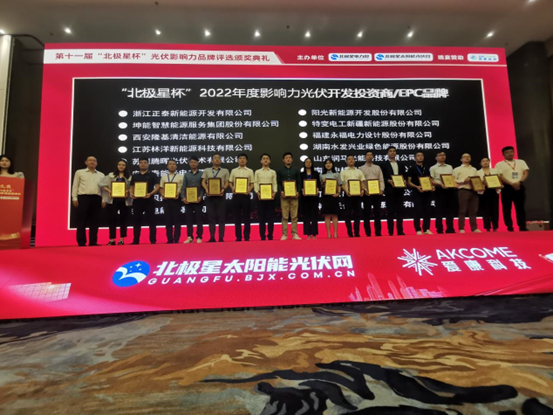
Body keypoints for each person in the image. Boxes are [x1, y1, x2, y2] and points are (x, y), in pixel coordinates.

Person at [71, 155, 105, 246]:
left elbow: (103, 189)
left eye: (94, 160)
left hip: (96, 198)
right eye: (90, 160)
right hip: (83, 198)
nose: (92, 162)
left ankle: (93, 242)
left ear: (96, 163)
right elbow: (75, 186)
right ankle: (81, 241)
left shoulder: (101, 175)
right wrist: (74, 198)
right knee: (82, 220)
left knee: (95, 221)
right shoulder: (79, 172)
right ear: (86, 162)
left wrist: (104, 200)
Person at [495, 146, 530, 232]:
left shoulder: (521, 162)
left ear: (514, 152)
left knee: (520, 208)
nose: (509, 154)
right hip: (506, 188)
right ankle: (509, 227)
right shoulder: (499, 164)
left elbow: (526, 172)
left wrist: (520, 182)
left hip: (519, 186)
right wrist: (511, 183)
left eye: (511, 152)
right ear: (503, 154)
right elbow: (500, 176)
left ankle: (522, 227)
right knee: (507, 209)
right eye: (507, 152)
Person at [100, 159, 131, 245]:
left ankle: (122, 239)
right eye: (119, 165)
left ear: (126, 167)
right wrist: (109, 191)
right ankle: (112, 239)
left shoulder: (129, 177)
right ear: (117, 166)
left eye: (123, 165)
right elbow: (103, 185)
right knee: (112, 219)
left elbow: (132, 187)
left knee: (123, 219)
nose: (121, 166)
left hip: (125, 201)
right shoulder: (110, 175)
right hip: (112, 200)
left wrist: (127, 191)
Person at [130, 157, 159, 245]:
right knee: (136, 220)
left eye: (145, 162)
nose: (143, 164)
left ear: (148, 164)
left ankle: (153, 240)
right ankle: (136, 240)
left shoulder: (153, 175)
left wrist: (150, 194)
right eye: (141, 162)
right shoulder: (135, 176)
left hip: (149, 200)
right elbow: (131, 187)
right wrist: (131, 193)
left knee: (152, 220)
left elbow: (157, 187)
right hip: (137, 201)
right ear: (138, 164)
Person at [202, 153, 230, 242]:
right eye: (215, 158)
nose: (217, 159)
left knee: (221, 217)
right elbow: (203, 182)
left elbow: (227, 182)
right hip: (210, 196)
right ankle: (212, 237)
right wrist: (206, 189)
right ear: (212, 160)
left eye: (219, 158)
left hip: (220, 196)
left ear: (221, 160)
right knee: (211, 217)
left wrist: (223, 189)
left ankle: (221, 237)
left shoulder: (225, 171)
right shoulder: (207, 170)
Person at [380, 146, 407, 236]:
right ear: (387, 153)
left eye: (394, 151)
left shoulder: (401, 164)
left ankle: (400, 231)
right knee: (390, 211)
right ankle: (390, 231)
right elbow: (381, 177)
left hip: (400, 190)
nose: (392, 152)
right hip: (389, 190)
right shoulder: (384, 164)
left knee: (400, 211)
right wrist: (388, 180)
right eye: (390, 151)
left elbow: (404, 175)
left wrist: (404, 181)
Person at [229, 153, 255, 242]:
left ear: (246, 160)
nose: (242, 160)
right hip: (236, 196)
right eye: (240, 158)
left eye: (244, 158)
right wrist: (232, 188)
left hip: (246, 196)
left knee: (247, 216)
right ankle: (238, 237)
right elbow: (230, 182)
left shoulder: (250, 171)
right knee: (237, 217)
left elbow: (252, 183)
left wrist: (249, 190)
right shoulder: (234, 171)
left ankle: (247, 236)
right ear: (238, 160)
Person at [277, 152, 302, 240]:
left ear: (292, 160)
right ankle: (284, 234)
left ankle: (294, 233)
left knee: (294, 216)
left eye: (289, 157)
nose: (288, 159)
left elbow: (299, 182)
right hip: (284, 196)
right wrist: (281, 191)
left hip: (294, 196)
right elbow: (278, 183)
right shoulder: (280, 171)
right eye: (286, 158)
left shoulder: (296, 170)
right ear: (283, 160)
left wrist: (298, 192)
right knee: (285, 216)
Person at [453, 153, 481, 234]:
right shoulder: (457, 169)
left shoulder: (474, 169)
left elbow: (477, 179)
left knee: (473, 210)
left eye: (468, 156)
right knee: (462, 210)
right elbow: (453, 180)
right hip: (463, 190)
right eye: (465, 157)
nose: (467, 158)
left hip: (474, 191)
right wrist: (463, 181)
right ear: (461, 159)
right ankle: (461, 228)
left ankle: (474, 228)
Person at [407, 151, 434, 235]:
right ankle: (418, 229)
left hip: (427, 192)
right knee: (417, 211)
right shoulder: (412, 168)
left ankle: (426, 229)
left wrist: (432, 186)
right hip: (416, 192)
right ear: (415, 158)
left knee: (427, 211)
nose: (420, 157)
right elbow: (409, 181)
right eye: (418, 156)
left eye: (421, 155)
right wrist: (417, 187)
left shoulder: (427, 168)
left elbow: (430, 179)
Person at [430, 151, 456, 234]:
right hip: (439, 190)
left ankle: (450, 228)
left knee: (450, 210)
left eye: (443, 155)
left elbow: (452, 178)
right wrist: (440, 184)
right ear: (436, 157)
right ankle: (439, 229)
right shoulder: (433, 168)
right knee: (439, 210)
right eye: (440, 155)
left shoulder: (450, 167)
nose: (442, 156)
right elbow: (431, 180)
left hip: (450, 190)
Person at [359, 151, 384, 237]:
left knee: (377, 213)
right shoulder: (361, 168)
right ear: (364, 157)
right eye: (368, 155)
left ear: (373, 157)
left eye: (371, 155)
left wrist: (381, 189)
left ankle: (378, 232)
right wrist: (365, 190)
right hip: (367, 194)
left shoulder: (377, 167)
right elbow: (361, 181)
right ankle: (368, 233)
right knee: (366, 213)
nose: (369, 156)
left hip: (377, 193)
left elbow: (381, 179)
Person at [340, 154, 365, 238]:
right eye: (349, 159)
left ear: (354, 161)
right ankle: (350, 233)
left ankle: (357, 232)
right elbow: (342, 184)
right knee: (347, 214)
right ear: (346, 161)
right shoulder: (343, 172)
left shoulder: (359, 171)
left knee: (358, 214)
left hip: (358, 196)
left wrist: (362, 190)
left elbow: (362, 182)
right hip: (348, 195)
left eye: (352, 159)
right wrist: (346, 191)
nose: (351, 160)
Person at [160, 159, 184, 244]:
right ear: (167, 166)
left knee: (177, 220)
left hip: (176, 200)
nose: (172, 165)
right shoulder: (164, 177)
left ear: (176, 166)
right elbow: (161, 188)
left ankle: (177, 239)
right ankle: (169, 239)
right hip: (166, 201)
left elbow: (182, 188)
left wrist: (178, 193)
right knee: (168, 220)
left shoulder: (181, 177)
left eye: (174, 164)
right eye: (170, 164)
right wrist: (162, 194)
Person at [254, 153, 277, 241]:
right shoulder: (257, 172)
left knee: (271, 217)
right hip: (260, 197)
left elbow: (274, 183)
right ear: (261, 161)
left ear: (270, 161)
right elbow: (256, 182)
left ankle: (270, 235)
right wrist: (257, 192)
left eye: (267, 158)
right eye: (263, 158)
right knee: (262, 217)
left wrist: (274, 192)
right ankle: (262, 236)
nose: (265, 160)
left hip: (271, 197)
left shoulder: (273, 172)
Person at [182, 156, 204, 244]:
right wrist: (183, 197)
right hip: (188, 200)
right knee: (189, 219)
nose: (193, 164)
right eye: (191, 162)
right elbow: (183, 187)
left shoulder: (202, 174)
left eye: (195, 162)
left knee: (199, 219)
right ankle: (189, 237)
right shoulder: (186, 175)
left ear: (198, 163)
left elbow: (203, 187)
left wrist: (201, 196)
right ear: (189, 163)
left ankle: (199, 236)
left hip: (198, 200)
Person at [477, 157, 501, 232]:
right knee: (485, 210)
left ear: (489, 162)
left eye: (487, 161)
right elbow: (476, 183)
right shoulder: (477, 172)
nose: (485, 162)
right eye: (483, 161)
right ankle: (487, 228)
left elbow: (499, 180)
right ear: (480, 163)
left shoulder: (495, 170)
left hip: (494, 191)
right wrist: (482, 182)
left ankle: (495, 227)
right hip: (484, 192)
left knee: (495, 209)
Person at [320, 158, 342, 239]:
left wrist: (338, 193)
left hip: (334, 196)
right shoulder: (321, 175)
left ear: (332, 164)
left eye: (330, 163)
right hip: (325, 197)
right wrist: (323, 182)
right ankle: (328, 233)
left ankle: (335, 233)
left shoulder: (337, 174)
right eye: (326, 163)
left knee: (334, 215)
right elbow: (320, 186)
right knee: (327, 215)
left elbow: (339, 185)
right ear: (324, 165)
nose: (328, 165)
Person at [300, 157, 320, 239]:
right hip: (305, 198)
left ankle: (314, 233)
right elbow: (300, 185)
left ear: (312, 164)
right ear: (304, 164)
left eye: (309, 162)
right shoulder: (301, 174)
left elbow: (318, 184)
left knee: (314, 215)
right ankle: (308, 233)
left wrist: (317, 190)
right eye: (306, 162)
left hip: (314, 197)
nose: (308, 163)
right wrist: (302, 190)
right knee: (306, 215)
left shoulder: (316, 173)